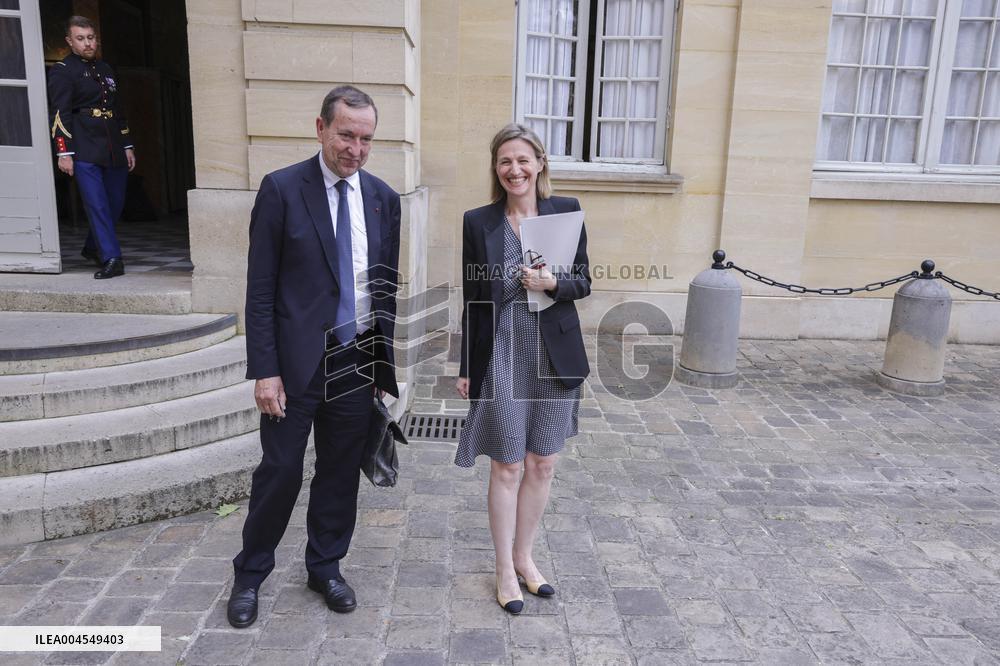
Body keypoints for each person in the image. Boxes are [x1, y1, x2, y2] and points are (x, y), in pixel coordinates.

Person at [227, 86, 401, 628]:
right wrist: (265, 371)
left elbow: (385, 289)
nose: (356, 149)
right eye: (346, 135)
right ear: (321, 128)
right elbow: (260, 290)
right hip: (295, 365)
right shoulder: (281, 190)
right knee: (279, 472)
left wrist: (380, 365)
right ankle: (250, 574)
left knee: (340, 473)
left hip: (355, 361)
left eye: (366, 139)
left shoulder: (383, 198)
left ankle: (325, 567)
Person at [454, 123, 591, 614]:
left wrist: (554, 282)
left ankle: (525, 558)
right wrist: (466, 365)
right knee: (508, 463)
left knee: (542, 462)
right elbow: (473, 298)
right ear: (496, 168)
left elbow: (583, 281)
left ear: (540, 164)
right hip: (503, 350)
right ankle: (503, 570)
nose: (515, 170)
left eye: (523, 160)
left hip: (553, 350)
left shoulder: (565, 211)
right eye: (505, 161)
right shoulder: (478, 222)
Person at [47, 15, 135, 279]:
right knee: (97, 204)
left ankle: (92, 247)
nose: (87, 43)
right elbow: (60, 113)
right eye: (80, 38)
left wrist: (127, 144)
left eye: (91, 38)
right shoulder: (63, 70)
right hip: (84, 146)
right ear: (69, 41)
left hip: (113, 145)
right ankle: (112, 258)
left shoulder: (106, 69)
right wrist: (64, 152)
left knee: (115, 202)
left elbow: (118, 109)